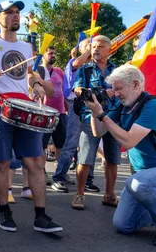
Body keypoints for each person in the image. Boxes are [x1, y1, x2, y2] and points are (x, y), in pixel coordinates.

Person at [0, 0, 63, 234]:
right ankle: (4, 211)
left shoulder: (26, 47)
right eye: (9, 12)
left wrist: (37, 84)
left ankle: (41, 215)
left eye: (18, 12)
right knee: (2, 163)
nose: (15, 16)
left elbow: (27, 75)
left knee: (36, 163)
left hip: (25, 108)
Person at [84, 65, 156, 247]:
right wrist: (96, 111)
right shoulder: (124, 107)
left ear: (136, 84)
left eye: (119, 89)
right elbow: (98, 132)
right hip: (141, 175)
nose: (116, 94)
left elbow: (128, 141)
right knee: (123, 225)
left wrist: (102, 114)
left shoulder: (153, 106)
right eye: (114, 89)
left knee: (138, 183)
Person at [71, 35, 121, 210]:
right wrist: (99, 92)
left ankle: (109, 194)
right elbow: (77, 89)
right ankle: (79, 194)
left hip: (114, 117)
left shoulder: (117, 71)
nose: (96, 50)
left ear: (109, 49)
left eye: (100, 47)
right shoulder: (85, 69)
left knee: (113, 159)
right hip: (90, 117)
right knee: (85, 158)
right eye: (93, 47)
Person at [52, 39, 95, 193]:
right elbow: (77, 63)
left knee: (90, 146)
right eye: (89, 46)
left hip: (92, 107)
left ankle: (87, 179)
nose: (92, 49)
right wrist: (88, 51)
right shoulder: (73, 62)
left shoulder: (94, 65)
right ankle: (59, 177)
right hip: (76, 108)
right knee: (70, 144)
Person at [41, 46, 67, 164]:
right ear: (43, 55)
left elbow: (63, 90)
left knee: (61, 143)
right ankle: (41, 172)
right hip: (44, 112)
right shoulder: (38, 71)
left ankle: (60, 173)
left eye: (54, 53)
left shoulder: (59, 71)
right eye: (50, 53)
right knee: (42, 144)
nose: (53, 56)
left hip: (60, 112)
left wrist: (67, 107)